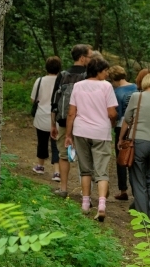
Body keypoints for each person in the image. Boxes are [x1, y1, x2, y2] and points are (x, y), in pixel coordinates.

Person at [64, 55, 118, 221]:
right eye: (105, 71)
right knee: (101, 171)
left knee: (85, 169)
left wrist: (68, 135)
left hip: (81, 131)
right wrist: (113, 122)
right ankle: (101, 205)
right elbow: (111, 112)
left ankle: (85, 204)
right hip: (101, 133)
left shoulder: (78, 86)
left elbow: (71, 113)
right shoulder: (106, 87)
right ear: (98, 71)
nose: (107, 74)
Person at [120, 71, 150, 227]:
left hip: (139, 142)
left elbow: (127, 119)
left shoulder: (136, 97)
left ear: (145, 83)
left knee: (139, 179)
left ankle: (144, 218)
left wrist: (121, 139)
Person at [50, 44, 92, 197]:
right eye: (90, 56)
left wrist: (52, 123)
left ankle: (63, 188)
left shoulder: (62, 74)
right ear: (82, 58)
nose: (91, 59)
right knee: (85, 156)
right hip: (84, 121)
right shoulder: (88, 76)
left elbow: (54, 101)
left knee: (63, 154)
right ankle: (85, 193)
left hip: (62, 120)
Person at [109, 65, 137, 200]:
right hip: (136, 127)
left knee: (121, 158)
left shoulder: (117, 92)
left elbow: (117, 113)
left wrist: (112, 125)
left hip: (122, 126)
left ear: (114, 79)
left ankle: (123, 190)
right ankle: (136, 189)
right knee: (132, 156)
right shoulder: (136, 88)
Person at [31, 57, 61, 176]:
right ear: (59, 68)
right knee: (56, 144)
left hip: (41, 117)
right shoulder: (61, 82)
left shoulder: (40, 81)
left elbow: (33, 99)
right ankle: (57, 172)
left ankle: (40, 166)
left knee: (42, 142)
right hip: (57, 118)